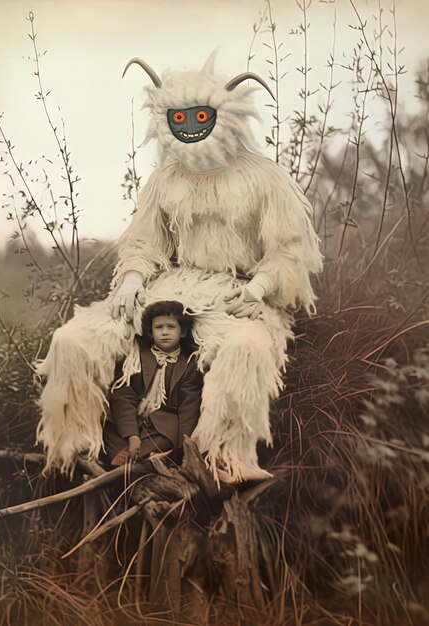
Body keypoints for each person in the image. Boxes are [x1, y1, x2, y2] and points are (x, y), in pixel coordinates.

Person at [36, 52, 323, 482]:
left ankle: (222, 461)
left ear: (223, 117)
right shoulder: (164, 180)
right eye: (179, 117)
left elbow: (289, 250)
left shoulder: (264, 179)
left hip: (237, 292)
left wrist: (259, 288)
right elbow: (144, 243)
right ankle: (76, 444)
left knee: (246, 348)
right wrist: (131, 281)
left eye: (201, 115)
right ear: (163, 119)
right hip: (172, 287)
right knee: (74, 339)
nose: (189, 126)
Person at [102, 300, 203, 467]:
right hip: (134, 420)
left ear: (183, 331)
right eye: (159, 327)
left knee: (166, 440)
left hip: (161, 427)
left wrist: (184, 449)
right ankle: (128, 456)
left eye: (171, 327)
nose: (164, 332)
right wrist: (132, 436)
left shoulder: (189, 365)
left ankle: (131, 459)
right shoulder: (137, 358)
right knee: (107, 429)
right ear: (150, 332)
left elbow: (188, 409)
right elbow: (124, 397)